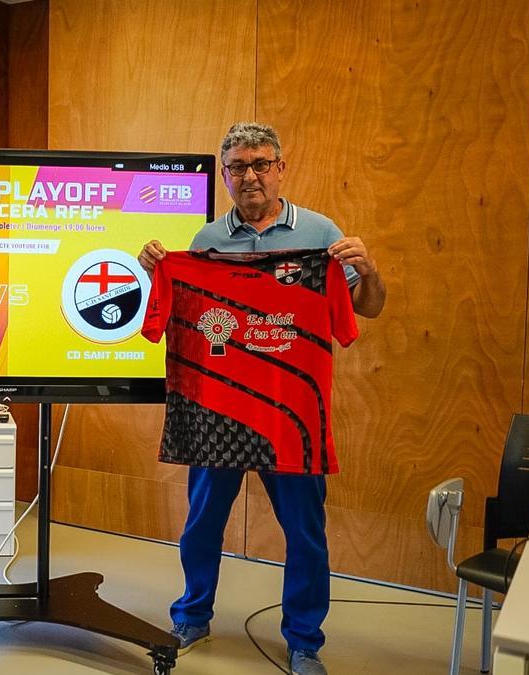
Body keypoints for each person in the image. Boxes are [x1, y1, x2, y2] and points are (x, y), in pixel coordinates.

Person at [138, 122, 386, 675]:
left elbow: (365, 311)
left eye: (260, 164)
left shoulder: (322, 235)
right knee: (201, 522)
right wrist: (157, 272)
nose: (249, 175)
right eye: (237, 167)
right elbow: (176, 316)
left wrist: (367, 271)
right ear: (224, 176)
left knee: (305, 530)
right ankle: (192, 614)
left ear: (280, 168)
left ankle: (304, 639)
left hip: (291, 414)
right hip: (216, 410)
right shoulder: (205, 244)